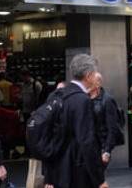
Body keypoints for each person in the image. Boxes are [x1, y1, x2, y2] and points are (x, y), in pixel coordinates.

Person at [42, 53, 107, 188]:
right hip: (76, 173)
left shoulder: (56, 95)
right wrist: (99, 179)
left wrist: (48, 177)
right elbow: (87, 142)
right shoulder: (82, 100)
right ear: (88, 76)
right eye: (95, 73)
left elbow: (50, 135)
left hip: (57, 172)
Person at [90, 72, 120, 169]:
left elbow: (112, 127)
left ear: (97, 84)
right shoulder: (85, 99)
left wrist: (107, 151)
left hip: (100, 146)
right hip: (87, 145)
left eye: (90, 82)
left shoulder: (107, 100)